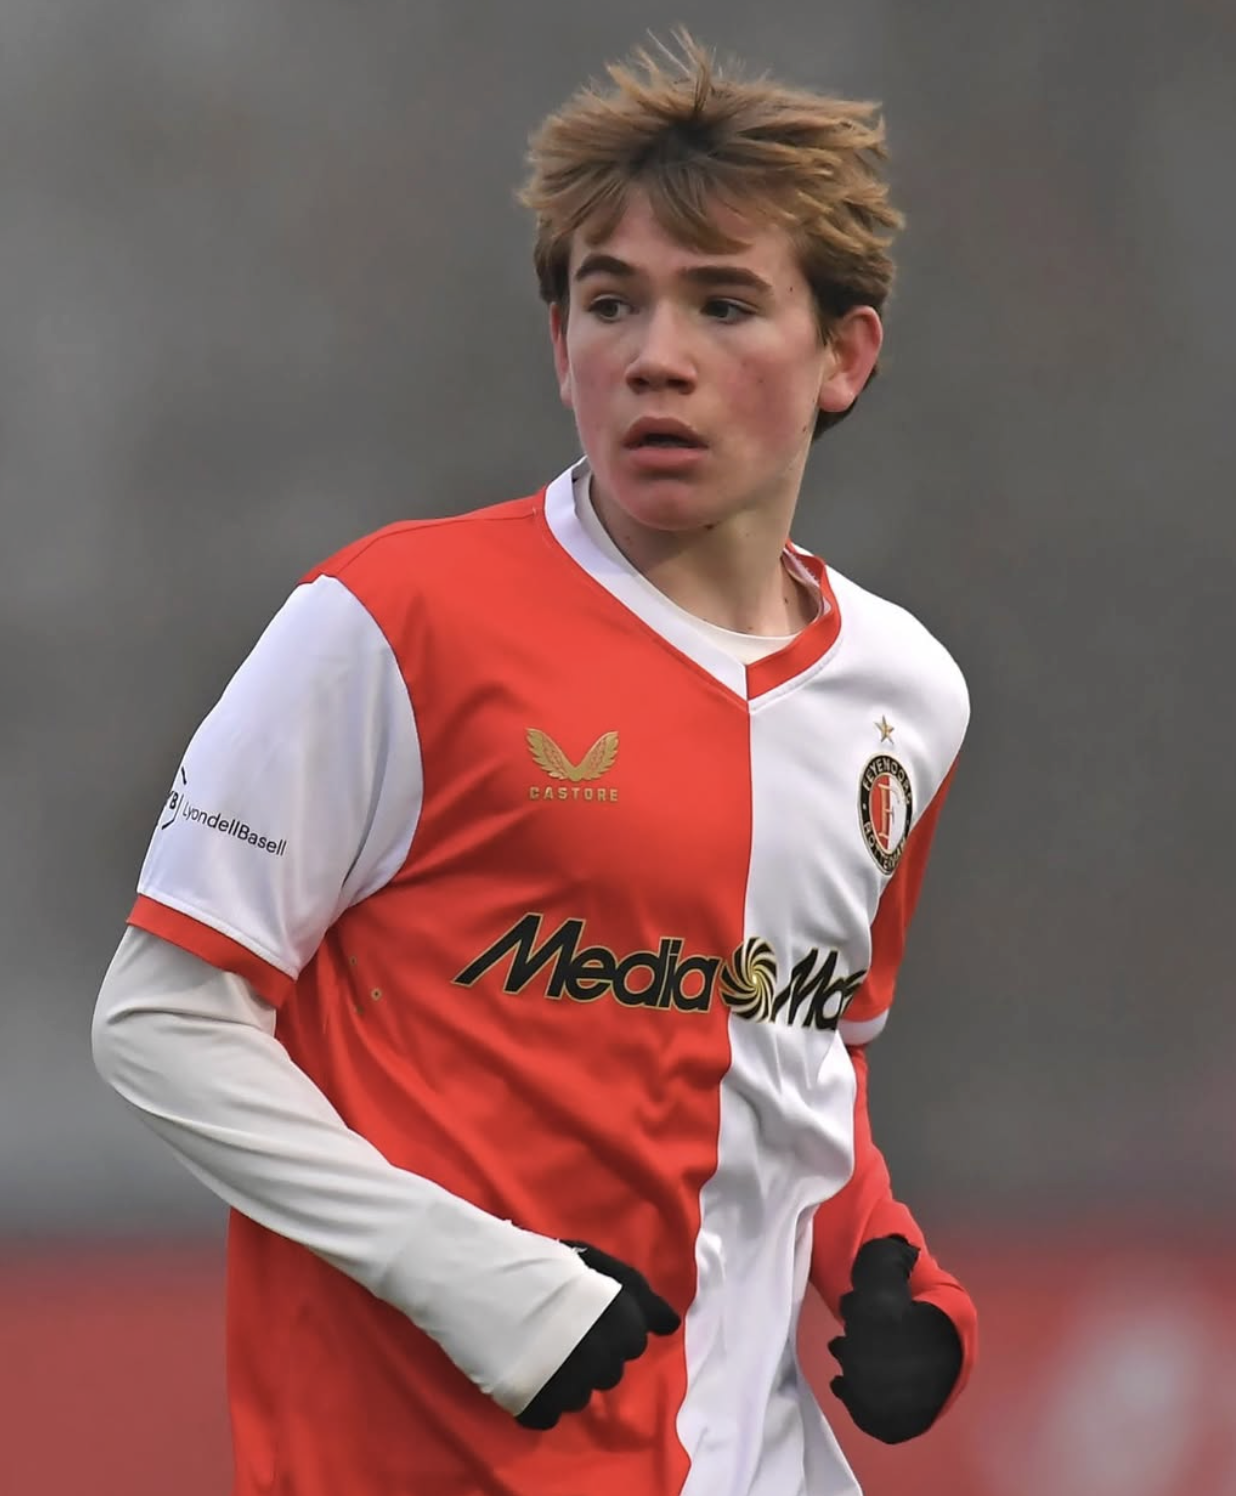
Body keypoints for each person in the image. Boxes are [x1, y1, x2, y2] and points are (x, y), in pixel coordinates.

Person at [92, 31, 977, 1496]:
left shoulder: (909, 697)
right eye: (609, 302)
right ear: (556, 339)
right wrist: (474, 1277)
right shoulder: (388, 624)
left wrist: (884, 1262)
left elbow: (795, 1056)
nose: (655, 358)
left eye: (725, 304)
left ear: (846, 356)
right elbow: (163, 1024)